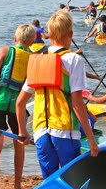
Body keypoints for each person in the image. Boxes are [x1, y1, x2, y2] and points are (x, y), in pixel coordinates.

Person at [15, 10, 99, 178]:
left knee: (50, 181)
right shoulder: (74, 60)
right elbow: (77, 103)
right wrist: (91, 139)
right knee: (71, 178)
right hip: (64, 130)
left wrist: (22, 130)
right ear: (71, 34)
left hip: (40, 131)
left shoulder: (37, 60)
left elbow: (20, 102)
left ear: (49, 34)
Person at [0, 24, 35, 189]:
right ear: (33, 41)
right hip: (17, 106)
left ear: (15, 38)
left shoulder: (4, 51)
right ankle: (17, 187)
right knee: (19, 143)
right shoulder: (32, 58)